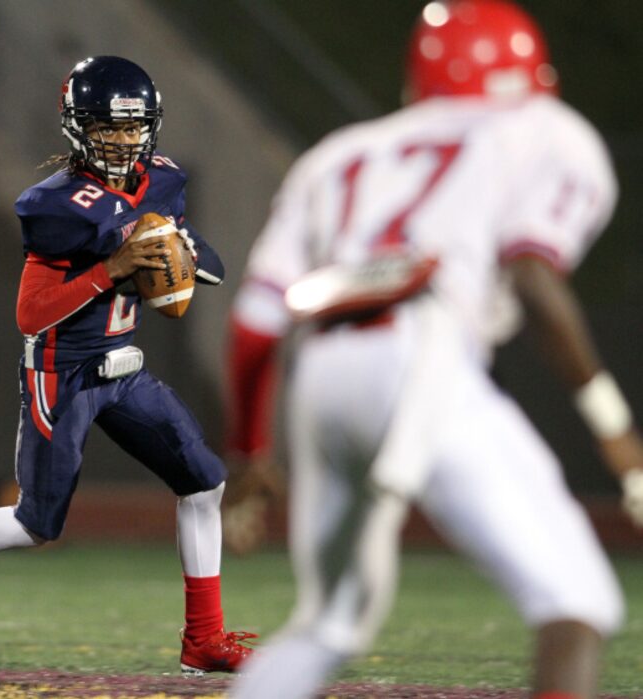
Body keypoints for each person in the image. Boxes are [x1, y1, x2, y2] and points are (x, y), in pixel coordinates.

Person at [225, 2, 643, 698]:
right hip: (426, 354)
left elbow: (254, 324)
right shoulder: (544, 130)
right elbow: (534, 277)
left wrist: (247, 450)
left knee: (329, 621)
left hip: (322, 375)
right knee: (577, 601)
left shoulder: (340, 154)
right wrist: (615, 428)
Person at [0, 55, 254, 676]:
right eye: (107, 129)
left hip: (123, 368)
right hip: (62, 370)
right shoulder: (55, 204)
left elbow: (204, 255)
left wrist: (182, 252)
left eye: (131, 128)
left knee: (204, 482)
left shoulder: (164, 180)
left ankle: (204, 638)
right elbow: (31, 314)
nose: (121, 141)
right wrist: (113, 270)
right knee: (36, 523)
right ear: (77, 128)